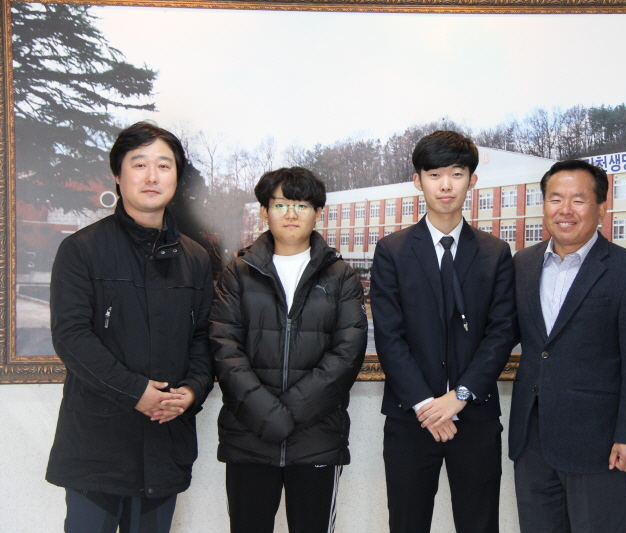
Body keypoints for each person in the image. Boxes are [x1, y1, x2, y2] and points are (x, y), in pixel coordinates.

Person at [47, 121, 215, 533]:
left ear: (176, 177)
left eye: (164, 165)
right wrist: (135, 391)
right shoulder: (81, 250)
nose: (152, 176)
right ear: (118, 176)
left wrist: (193, 390)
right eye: (139, 164)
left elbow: (203, 339)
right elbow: (71, 336)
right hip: (96, 447)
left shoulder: (195, 258)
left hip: (164, 442)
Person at [371, 131, 518, 533]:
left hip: (475, 416)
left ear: (472, 180)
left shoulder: (495, 252)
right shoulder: (392, 250)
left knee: (479, 524)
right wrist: (426, 405)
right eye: (434, 175)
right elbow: (389, 336)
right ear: (418, 181)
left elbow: (501, 332)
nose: (446, 185)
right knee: (407, 523)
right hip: (411, 418)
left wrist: (460, 396)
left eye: (456, 173)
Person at [210, 167, 367, 533]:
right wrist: (267, 416)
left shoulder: (340, 276)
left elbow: (348, 353)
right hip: (249, 436)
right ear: (265, 211)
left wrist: (286, 415)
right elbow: (224, 347)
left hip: (316, 439)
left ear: (318, 212)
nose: (291, 214)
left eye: (302, 205)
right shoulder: (238, 273)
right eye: (281, 204)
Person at [509, 159, 626, 533]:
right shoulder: (522, 264)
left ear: (601, 208)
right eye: (555, 199)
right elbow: (504, 335)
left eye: (578, 200)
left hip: (598, 443)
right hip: (531, 439)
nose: (565, 210)